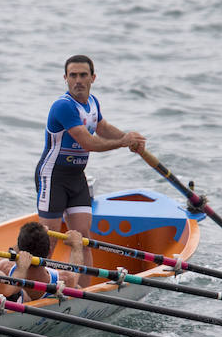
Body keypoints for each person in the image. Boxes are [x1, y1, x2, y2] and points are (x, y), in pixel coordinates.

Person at [36, 54, 146, 285]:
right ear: (65, 78)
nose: (78, 80)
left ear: (93, 78)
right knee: (49, 240)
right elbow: (89, 143)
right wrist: (123, 142)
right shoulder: (63, 106)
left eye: (83, 75)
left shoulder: (93, 102)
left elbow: (102, 128)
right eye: (73, 75)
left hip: (77, 177)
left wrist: (129, 137)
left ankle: (83, 293)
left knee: (84, 240)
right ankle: (36, 290)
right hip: (53, 177)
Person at [0, 222, 84, 301]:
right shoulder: (65, 279)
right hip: (47, 295)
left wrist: (31, 236)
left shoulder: (4, 267)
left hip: (19, 300)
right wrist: (77, 246)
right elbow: (75, 271)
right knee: (77, 287)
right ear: (50, 252)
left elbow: (19, 248)